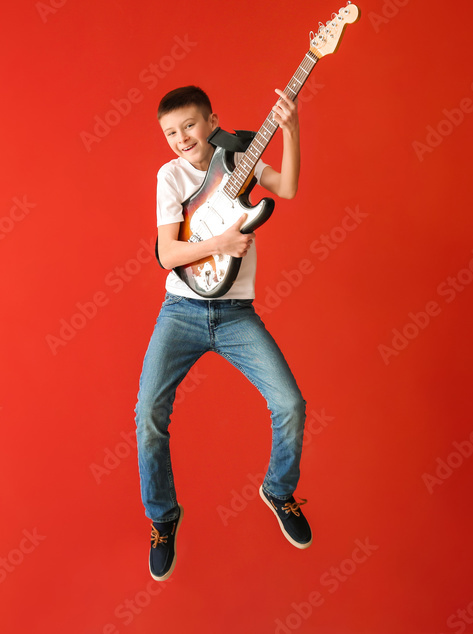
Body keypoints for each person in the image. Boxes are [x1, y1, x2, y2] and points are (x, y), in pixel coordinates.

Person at [134, 85, 311, 582]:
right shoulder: (169, 177)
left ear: (212, 121)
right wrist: (220, 242)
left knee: (291, 404)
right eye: (170, 132)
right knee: (148, 412)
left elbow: (289, 188)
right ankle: (163, 517)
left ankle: (278, 489)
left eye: (189, 125)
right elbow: (168, 255)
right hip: (182, 310)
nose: (180, 138)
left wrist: (292, 130)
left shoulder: (241, 156)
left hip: (235, 313)